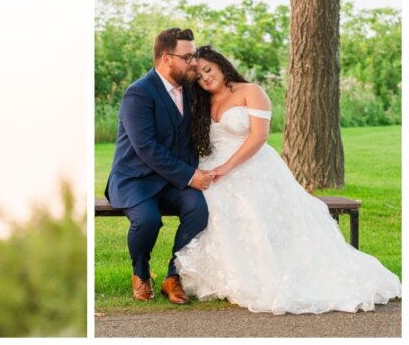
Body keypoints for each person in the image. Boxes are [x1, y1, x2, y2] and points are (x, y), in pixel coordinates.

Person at [174, 45, 401, 314]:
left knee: (251, 208)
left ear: (221, 65)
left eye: (208, 70)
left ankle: (268, 274)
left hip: (252, 165)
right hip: (213, 168)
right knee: (210, 205)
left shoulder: (251, 92)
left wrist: (226, 168)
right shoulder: (202, 102)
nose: (205, 78)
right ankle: (231, 277)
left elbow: (259, 137)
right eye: (198, 77)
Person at [105, 27, 214, 305]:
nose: (193, 63)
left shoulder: (191, 91)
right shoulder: (138, 94)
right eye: (187, 57)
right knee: (148, 220)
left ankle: (172, 276)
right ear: (166, 58)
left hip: (171, 181)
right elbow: (147, 148)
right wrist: (190, 175)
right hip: (136, 177)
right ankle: (141, 274)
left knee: (198, 210)